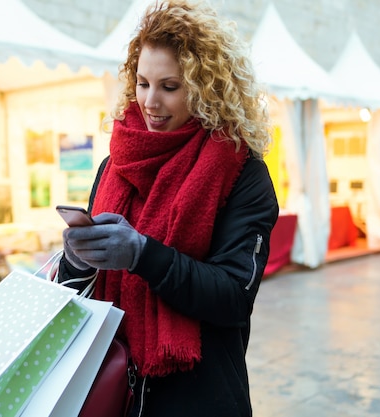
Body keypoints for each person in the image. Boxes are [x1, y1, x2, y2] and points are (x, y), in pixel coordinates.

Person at [58, 1, 279, 416]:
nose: (150, 101)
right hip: (111, 389)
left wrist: (143, 254)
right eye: (142, 83)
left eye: (170, 86)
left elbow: (232, 297)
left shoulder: (242, 173)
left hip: (198, 397)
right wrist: (78, 258)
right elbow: (80, 290)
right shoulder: (114, 164)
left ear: (206, 86)